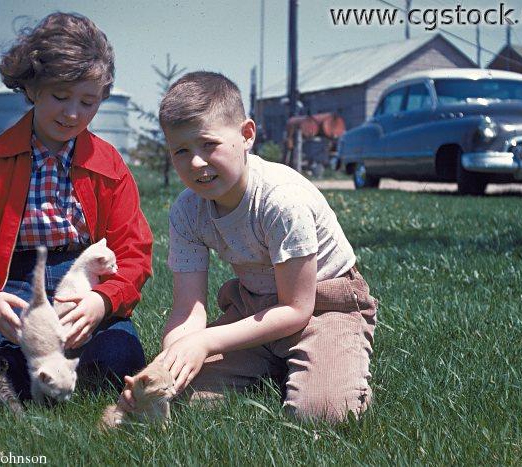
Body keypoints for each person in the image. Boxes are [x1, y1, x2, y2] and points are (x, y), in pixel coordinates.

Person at [122, 71, 378, 422]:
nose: (196, 162)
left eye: (208, 144)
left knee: (322, 414)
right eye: (181, 150)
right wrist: (171, 361)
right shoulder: (186, 209)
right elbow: (188, 308)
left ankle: (333, 368)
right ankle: (280, 364)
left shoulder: (281, 200)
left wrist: (207, 342)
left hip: (323, 305)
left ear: (246, 135)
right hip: (254, 306)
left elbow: (296, 309)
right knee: (178, 401)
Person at [0, 12, 152, 398]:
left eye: (87, 102)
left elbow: (133, 252)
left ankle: (80, 358)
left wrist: (102, 303)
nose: (72, 113)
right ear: (32, 88)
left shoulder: (110, 166)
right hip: (15, 283)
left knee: (120, 362)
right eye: (59, 96)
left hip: (84, 283)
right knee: (6, 381)